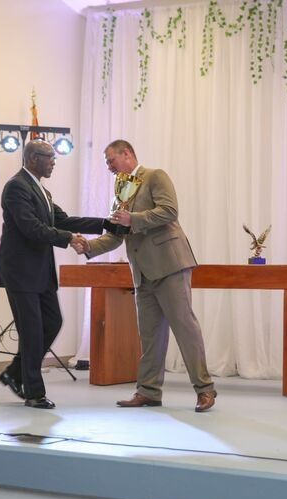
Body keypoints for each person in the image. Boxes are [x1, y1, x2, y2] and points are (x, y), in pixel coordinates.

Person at [84, 140, 217, 412]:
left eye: (111, 159)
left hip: (169, 265)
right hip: (142, 274)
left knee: (184, 327)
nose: (108, 166)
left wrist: (133, 218)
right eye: (106, 162)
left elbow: (169, 211)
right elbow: (115, 235)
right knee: (150, 335)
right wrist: (87, 246)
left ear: (127, 154)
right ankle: (148, 392)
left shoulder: (155, 176)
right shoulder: (119, 192)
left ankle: (205, 390)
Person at [0, 139, 104, 409]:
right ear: (33, 158)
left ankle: (15, 373)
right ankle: (33, 393)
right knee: (31, 332)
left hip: (40, 271)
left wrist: (107, 223)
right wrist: (69, 238)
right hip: (20, 271)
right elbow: (31, 228)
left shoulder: (41, 190)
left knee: (52, 322)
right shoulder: (16, 187)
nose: (54, 162)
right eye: (50, 157)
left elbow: (64, 220)